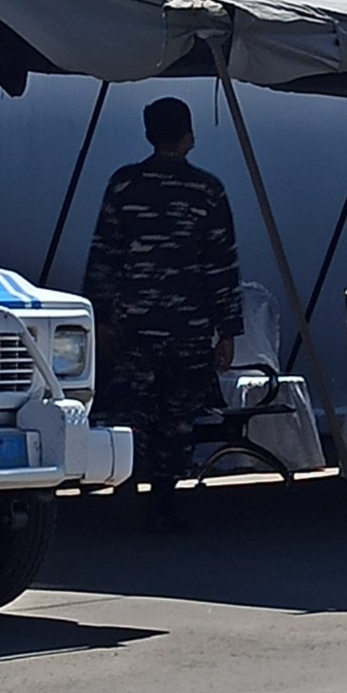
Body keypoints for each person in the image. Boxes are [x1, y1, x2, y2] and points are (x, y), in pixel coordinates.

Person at [82, 97, 243, 532]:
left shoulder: (124, 185)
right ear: (188, 135)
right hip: (188, 327)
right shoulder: (207, 191)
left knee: (130, 412)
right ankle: (164, 502)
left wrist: (100, 317)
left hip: (134, 323)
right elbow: (221, 265)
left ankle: (126, 491)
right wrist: (227, 330)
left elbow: (105, 256)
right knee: (176, 418)